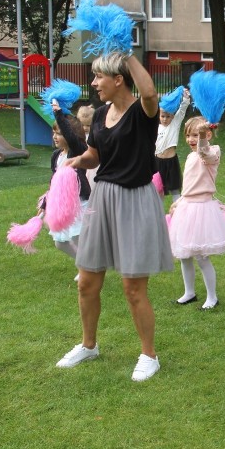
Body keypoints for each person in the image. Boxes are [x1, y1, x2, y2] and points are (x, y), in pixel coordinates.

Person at [56, 52, 172, 382]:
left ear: (118, 79)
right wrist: (80, 161)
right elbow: (96, 154)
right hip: (103, 197)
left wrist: (127, 54)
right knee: (87, 282)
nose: (93, 84)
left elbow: (150, 94)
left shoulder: (142, 112)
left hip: (135, 199)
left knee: (133, 288)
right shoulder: (101, 113)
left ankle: (149, 355)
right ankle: (88, 345)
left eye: (99, 77)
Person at [170, 117, 225, 310]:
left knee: (201, 255)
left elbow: (204, 151)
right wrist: (179, 201)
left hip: (202, 210)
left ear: (207, 135)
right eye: (188, 135)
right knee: (184, 254)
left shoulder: (212, 152)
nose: (191, 139)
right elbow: (189, 185)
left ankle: (212, 297)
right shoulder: (190, 157)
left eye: (196, 135)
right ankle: (189, 292)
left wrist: (203, 139)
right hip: (187, 207)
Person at [41, 100, 91, 266]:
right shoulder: (56, 155)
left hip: (79, 203)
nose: (55, 136)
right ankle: (85, 265)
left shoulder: (79, 151)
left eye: (59, 133)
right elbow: (53, 181)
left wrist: (58, 113)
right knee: (60, 242)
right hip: (63, 205)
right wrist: (45, 204)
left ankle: (87, 268)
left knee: (77, 237)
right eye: (53, 132)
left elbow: (71, 137)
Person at [155, 89, 192, 202]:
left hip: (171, 162)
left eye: (168, 116)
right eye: (163, 116)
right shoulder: (156, 127)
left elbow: (182, 110)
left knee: (175, 190)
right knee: (158, 190)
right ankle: (159, 217)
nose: (165, 119)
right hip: (157, 162)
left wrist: (185, 98)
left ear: (172, 116)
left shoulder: (174, 124)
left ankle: (178, 214)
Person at [75, 104, 98, 190]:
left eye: (88, 125)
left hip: (91, 166)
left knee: (91, 184)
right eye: (82, 125)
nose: (85, 128)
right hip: (80, 163)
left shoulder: (94, 135)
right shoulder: (77, 135)